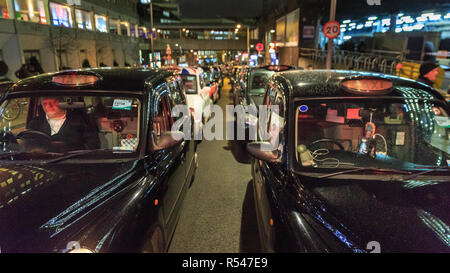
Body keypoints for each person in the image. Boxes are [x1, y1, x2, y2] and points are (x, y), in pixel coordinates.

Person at [27, 96, 100, 152]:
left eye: (53, 102)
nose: (49, 106)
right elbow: (28, 147)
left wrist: (66, 147)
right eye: (45, 103)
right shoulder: (35, 123)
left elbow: (93, 147)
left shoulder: (83, 121)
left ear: (63, 103)